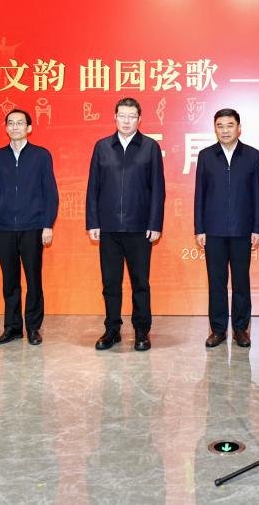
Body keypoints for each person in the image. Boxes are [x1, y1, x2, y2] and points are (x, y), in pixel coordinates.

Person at [86, 97, 166, 351]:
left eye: (131, 116)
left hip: (140, 228)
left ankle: (142, 330)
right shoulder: (102, 147)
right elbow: (93, 187)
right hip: (108, 228)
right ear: (115, 117)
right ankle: (112, 329)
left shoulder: (150, 147)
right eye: (122, 116)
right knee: (110, 283)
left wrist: (155, 223)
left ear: (139, 119)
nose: (126, 121)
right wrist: (93, 221)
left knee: (140, 282)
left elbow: (158, 189)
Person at [0, 109, 59, 346]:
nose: (15, 127)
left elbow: (51, 193)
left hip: (33, 226)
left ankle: (33, 327)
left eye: (20, 123)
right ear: (6, 127)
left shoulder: (41, 155)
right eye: (11, 123)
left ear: (29, 128)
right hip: (3, 227)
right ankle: (12, 327)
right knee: (10, 280)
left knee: (33, 279)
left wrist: (47, 225)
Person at [194, 109, 259, 348]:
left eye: (230, 125)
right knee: (216, 282)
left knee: (241, 282)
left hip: (243, 230)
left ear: (239, 128)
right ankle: (218, 330)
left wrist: (257, 228)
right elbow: (200, 194)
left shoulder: (252, 155)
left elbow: (257, 194)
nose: (225, 130)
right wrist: (199, 228)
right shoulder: (206, 156)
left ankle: (241, 329)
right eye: (220, 126)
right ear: (215, 129)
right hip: (213, 230)